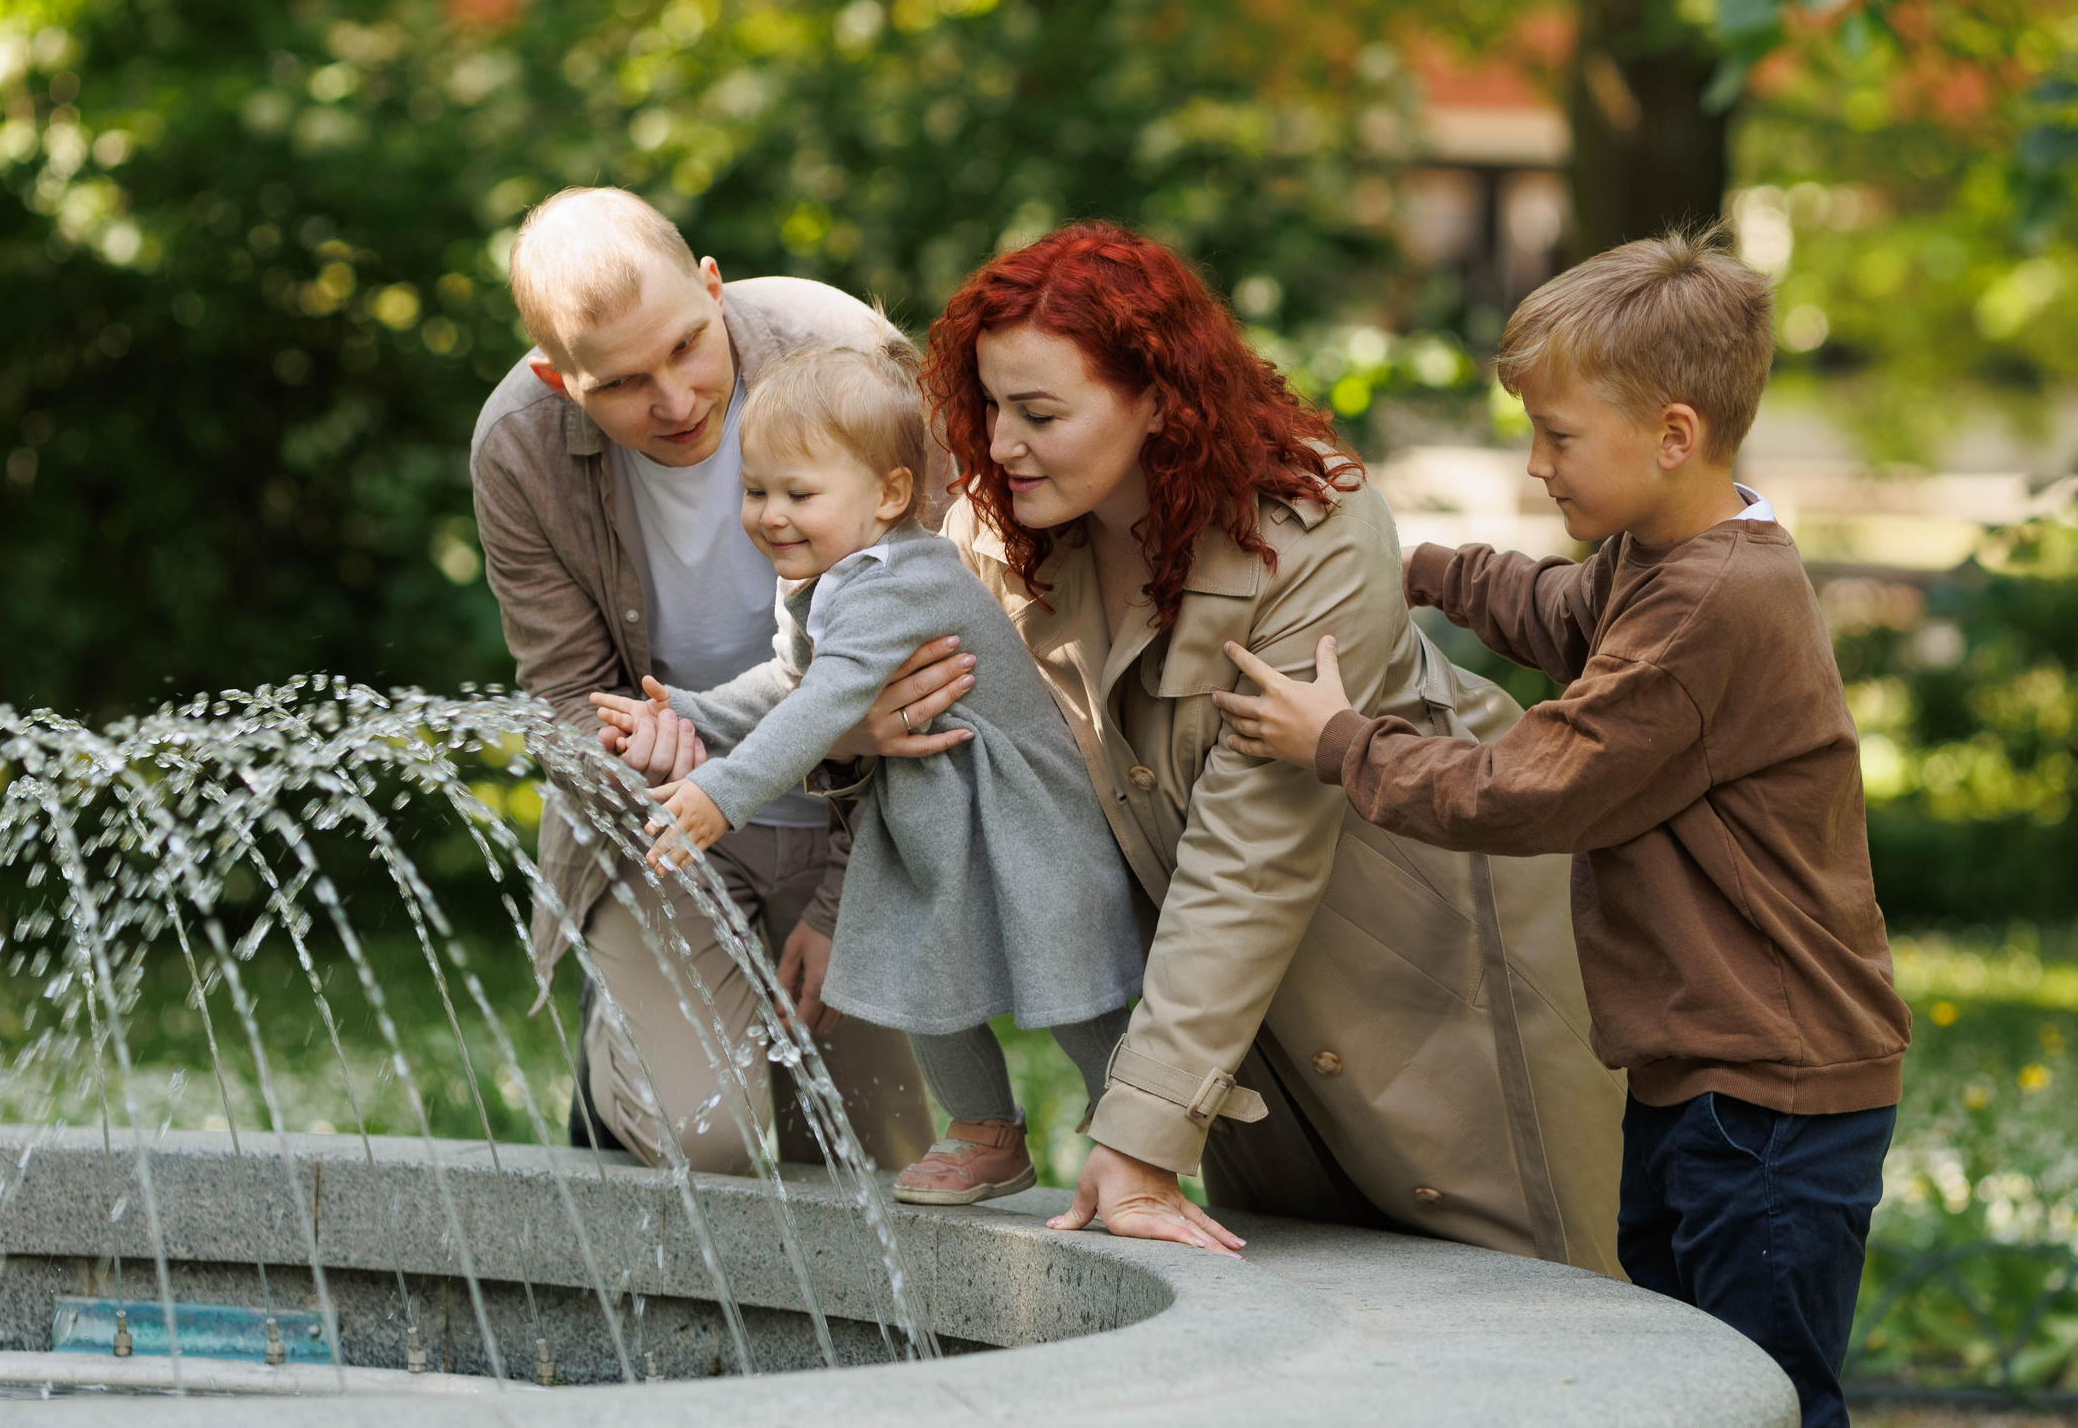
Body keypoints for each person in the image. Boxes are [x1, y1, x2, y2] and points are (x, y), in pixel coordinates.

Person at [1212, 229, 1911, 1428]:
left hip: (1769, 1100)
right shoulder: (1666, 549)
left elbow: (1536, 787)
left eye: (1558, 436)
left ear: (1673, 434)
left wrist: (1338, 743)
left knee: (1765, 1400)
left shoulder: (1713, 600)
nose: (1537, 465)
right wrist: (1407, 562)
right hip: (1706, 1072)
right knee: (1687, 1382)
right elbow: (1553, 605)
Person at [918, 220, 1626, 1266]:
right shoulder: (994, 531)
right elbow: (944, 746)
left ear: (1157, 398)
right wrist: (870, 732)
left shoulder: (1312, 528)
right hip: (1246, 1036)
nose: (1003, 442)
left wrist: (1141, 1128)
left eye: (1039, 412)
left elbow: (1254, 847)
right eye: (987, 405)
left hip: (1442, 992)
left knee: (1543, 1345)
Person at [469, 185, 948, 1175]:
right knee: (707, 1138)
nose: (676, 403)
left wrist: (837, 903)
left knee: (881, 1169)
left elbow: (932, 661)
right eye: (622, 384)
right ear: (558, 381)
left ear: (713, 288)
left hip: (862, 814)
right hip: (669, 828)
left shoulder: (843, 354)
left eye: (688, 346)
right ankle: (622, 1071)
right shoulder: (516, 449)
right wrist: (628, 751)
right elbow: (566, 700)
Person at [624, 338, 1143, 1205]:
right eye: (755, 491)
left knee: (1074, 982)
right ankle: (986, 1131)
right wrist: (687, 713)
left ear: (890, 495)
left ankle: (1134, 1126)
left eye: (799, 493)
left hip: (1022, 813)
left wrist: (721, 791)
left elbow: (823, 706)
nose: (771, 515)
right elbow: (792, 683)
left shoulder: (901, 578)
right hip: (938, 815)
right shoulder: (828, 577)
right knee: (919, 977)